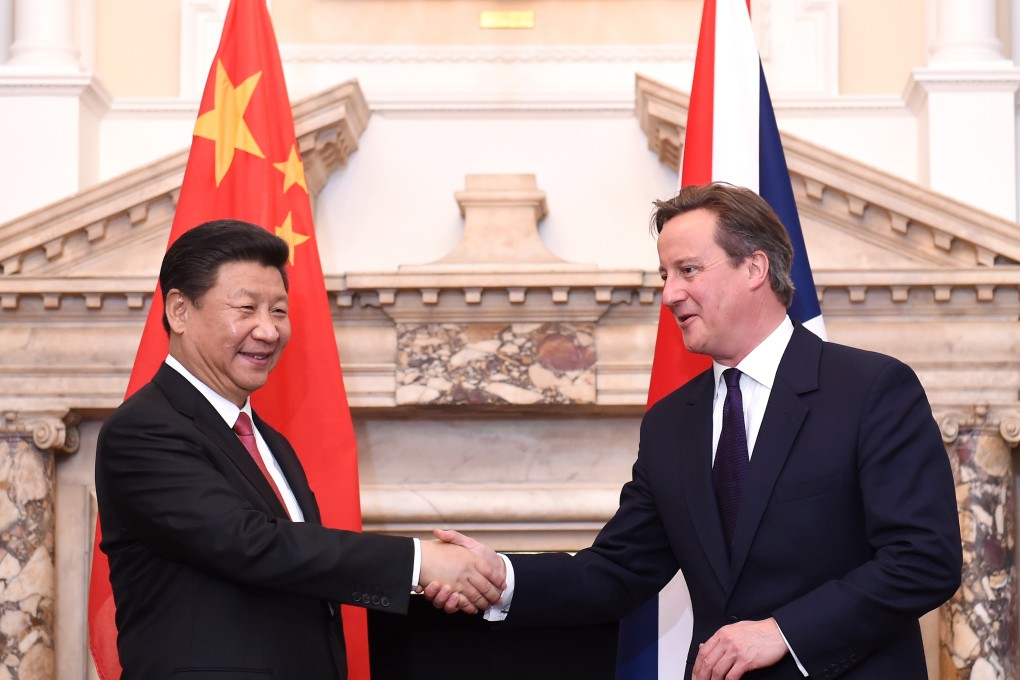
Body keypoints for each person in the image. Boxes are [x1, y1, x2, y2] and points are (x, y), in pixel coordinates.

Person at [428, 183, 962, 679]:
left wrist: (784, 633)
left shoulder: (869, 388)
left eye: (687, 270)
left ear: (754, 267)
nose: (670, 295)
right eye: (665, 276)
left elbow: (924, 559)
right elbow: (615, 571)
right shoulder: (670, 423)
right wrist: (500, 574)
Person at [95, 219, 505, 680]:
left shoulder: (271, 443)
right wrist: (419, 563)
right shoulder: (142, 430)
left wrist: (434, 582)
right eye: (246, 308)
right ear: (179, 311)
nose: (268, 331)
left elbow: (301, 576)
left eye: (279, 311)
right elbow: (249, 544)